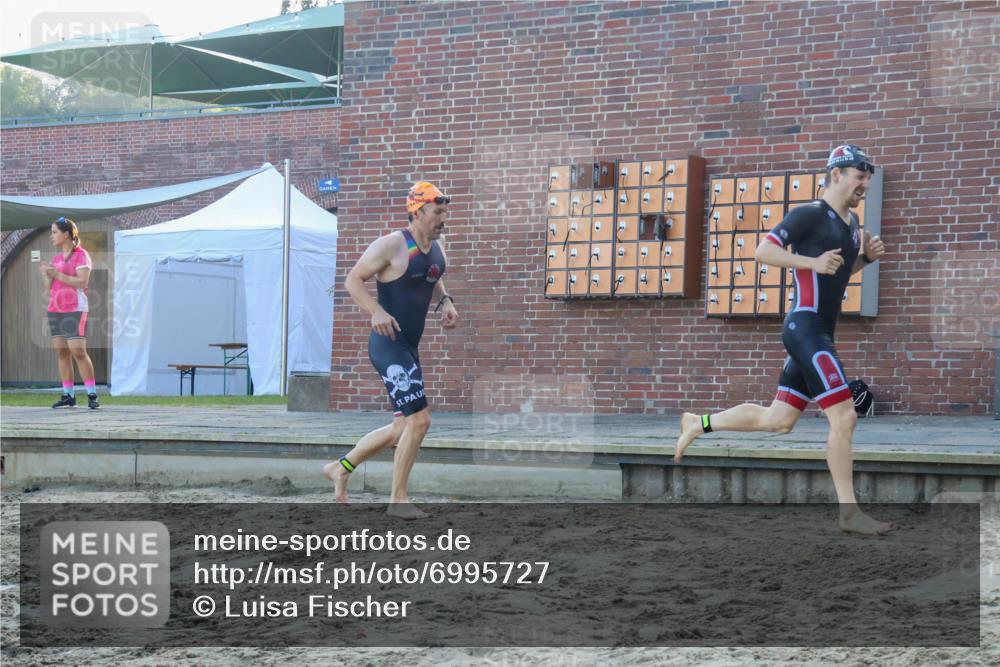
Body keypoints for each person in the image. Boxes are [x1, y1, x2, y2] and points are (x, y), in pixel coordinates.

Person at [675, 145, 890, 535]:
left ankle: (698, 422)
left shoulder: (852, 222)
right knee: (845, 415)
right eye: (860, 177)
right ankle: (849, 513)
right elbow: (763, 251)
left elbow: (837, 274)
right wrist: (811, 262)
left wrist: (865, 261)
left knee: (779, 420)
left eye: (868, 179)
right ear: (837, 174)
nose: (865, 185)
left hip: (817, 331)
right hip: (806, 329)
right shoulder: (809, 214)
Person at [323, 182, 458, 519]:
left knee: (402, 428)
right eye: (437, 212)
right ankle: (398, 500)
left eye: (445, 211)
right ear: (417, 211)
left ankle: (341, 468)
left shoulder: (438, 248)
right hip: (389, 347)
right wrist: (376, 311)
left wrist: (445, 301)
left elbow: (433, 274)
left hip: (409, 348)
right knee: (420, 421)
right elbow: (353, 279)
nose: (444, 218)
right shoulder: (393, 245)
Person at [39, 217, 100, 409]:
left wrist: (57, 274)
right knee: (62, 352)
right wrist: (47, 275)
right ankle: (68, 395)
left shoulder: (82, 255)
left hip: (75, 308)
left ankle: (92, 395)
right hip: (55, 309)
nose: (52, 236)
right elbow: (49, 288)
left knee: (78, 351)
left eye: (55, 232)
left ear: (66, 234)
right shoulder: (56, 259)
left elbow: (82, 282)